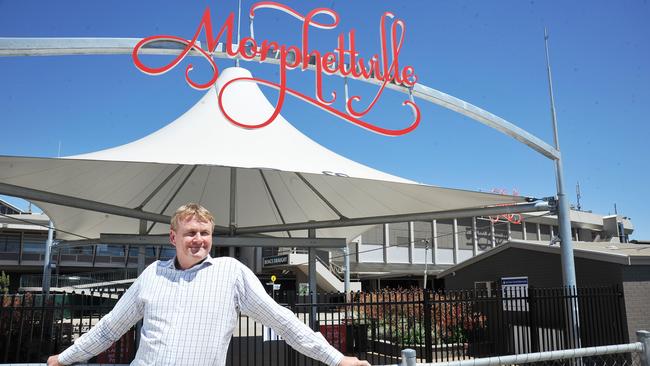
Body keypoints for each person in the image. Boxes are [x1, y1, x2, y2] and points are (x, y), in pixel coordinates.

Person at [48, 203, 370, 366]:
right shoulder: (152, 274)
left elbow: (283, 321)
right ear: (173, 237)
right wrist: (64, 358)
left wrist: (336, 359)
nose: (199, 240)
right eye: (190, 233)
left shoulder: (231, 274)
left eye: (205, 232)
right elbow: (109, 328)